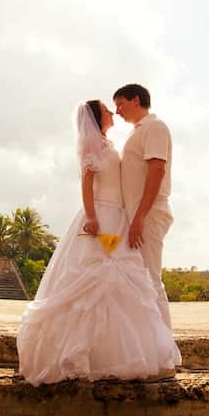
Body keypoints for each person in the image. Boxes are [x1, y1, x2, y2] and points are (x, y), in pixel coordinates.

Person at [16, 100, 181, 385]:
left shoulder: (109, 143)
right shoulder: (92, 145)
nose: (112, 112)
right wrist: (91, 216)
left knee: (123, 279)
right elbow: (86, 182)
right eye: (107, 109)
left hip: (119, 217)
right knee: (97, 277)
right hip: (102, 218)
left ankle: (118, 351)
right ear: (96, 117)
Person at [112, 83, 173, 329]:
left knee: (150, 279)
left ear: (135, 100)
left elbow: (157, 170)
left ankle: (166, 349)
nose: (117, 111)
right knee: (139, 280)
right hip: (136, 215)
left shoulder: (155, 127)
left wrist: (139, 217)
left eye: (120, 104)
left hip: (147, 214)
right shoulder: (137, 131)